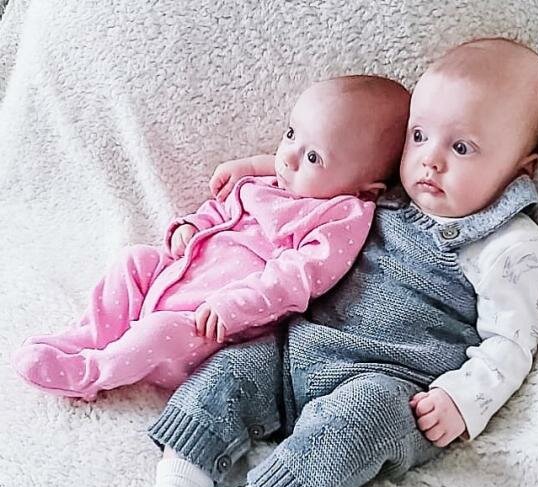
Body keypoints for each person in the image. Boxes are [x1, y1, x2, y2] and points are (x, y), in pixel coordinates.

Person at [129, 37, 538, 487]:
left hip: (392, 381)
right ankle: (176, 482)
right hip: (300, 349)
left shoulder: (507, 244)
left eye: (461, 148)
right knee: (234, 365)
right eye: (419, 136)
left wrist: (462, 399)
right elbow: (317, 175)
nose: (430, 162)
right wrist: (253, 169)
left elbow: (511, 341)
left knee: (364, 419)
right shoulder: (386, 194)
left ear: (522, 167)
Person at [12, 75, 410, 400]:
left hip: (211, 324)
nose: (288, 156)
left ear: (364, 189)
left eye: (313, 157)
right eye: (291, 134)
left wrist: (234, 305)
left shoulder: (339, 216)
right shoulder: (268, 183)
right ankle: (88, 336)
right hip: (179, 274)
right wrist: (189, 229)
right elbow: (219, 215)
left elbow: (298, 278)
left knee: (157, 333)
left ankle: (92, 374)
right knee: (133, 260)